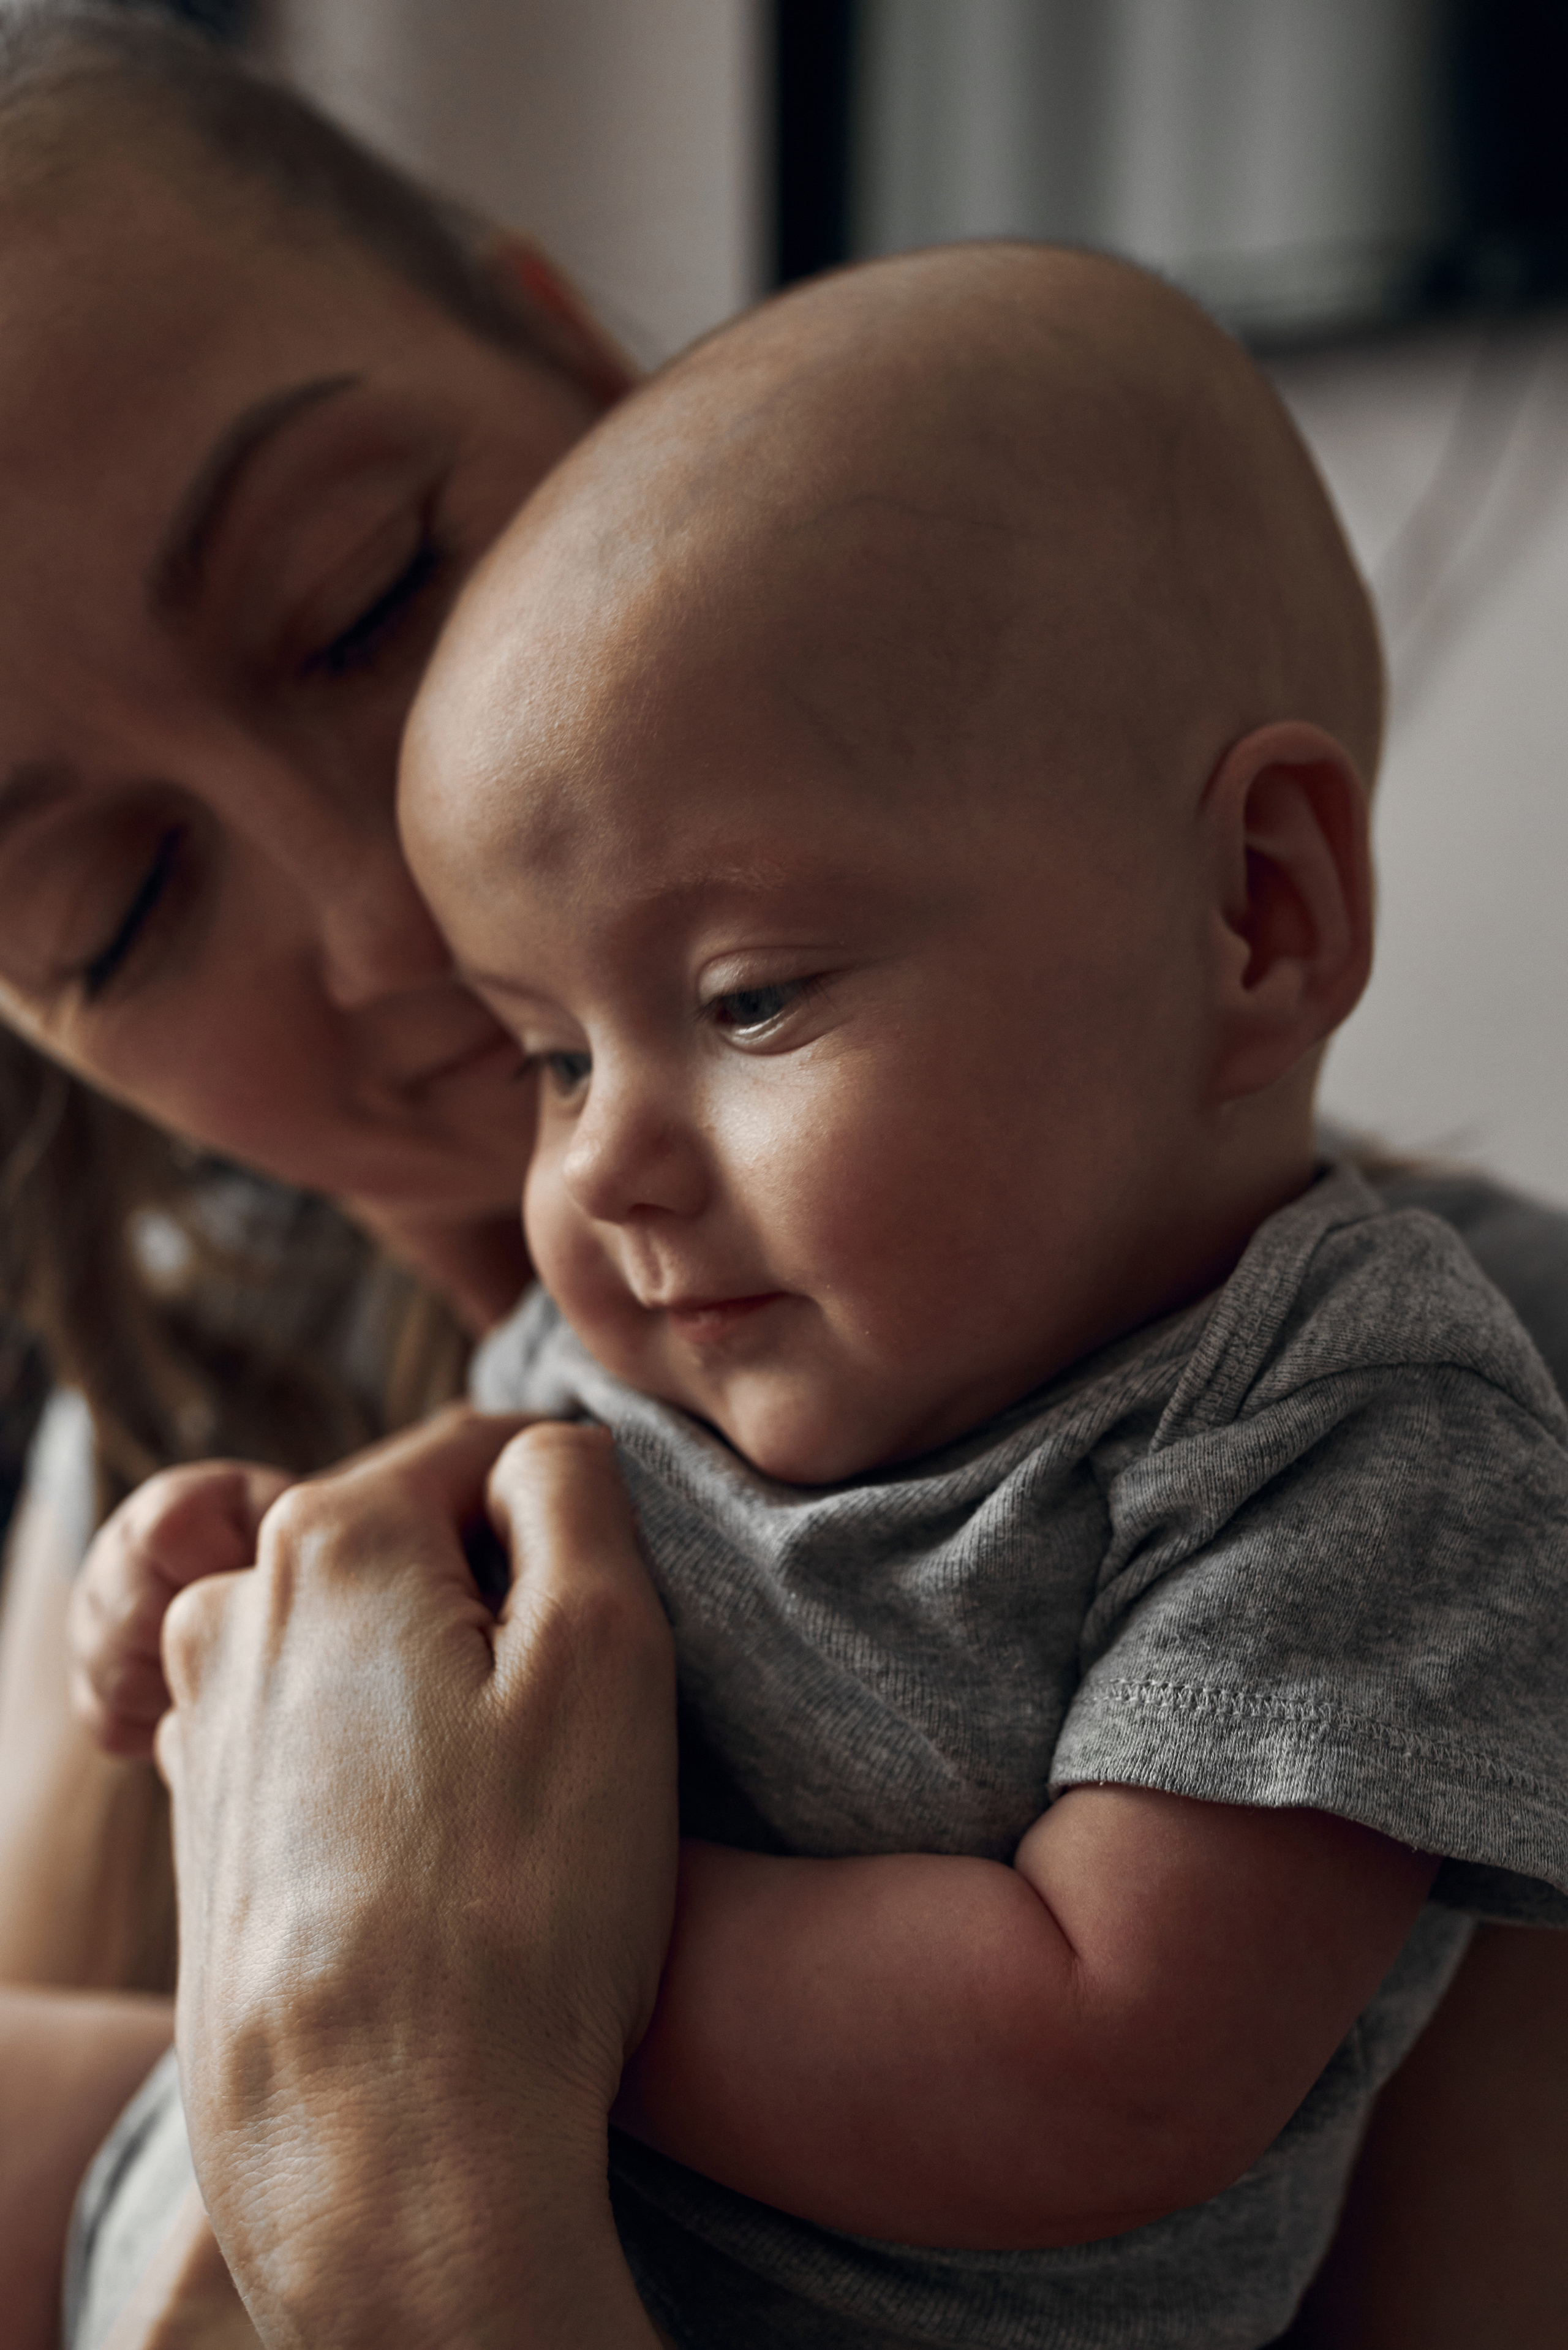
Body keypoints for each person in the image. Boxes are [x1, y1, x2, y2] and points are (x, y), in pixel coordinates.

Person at [0, 6, 1563, 2344]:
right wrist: (245, 1557)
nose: (372, 916)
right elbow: (510, 1471)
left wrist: (455, 1980)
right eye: (105, 912)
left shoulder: (1407, 1429)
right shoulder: (253, 1327)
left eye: (355, 600)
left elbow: (1122, 2069)